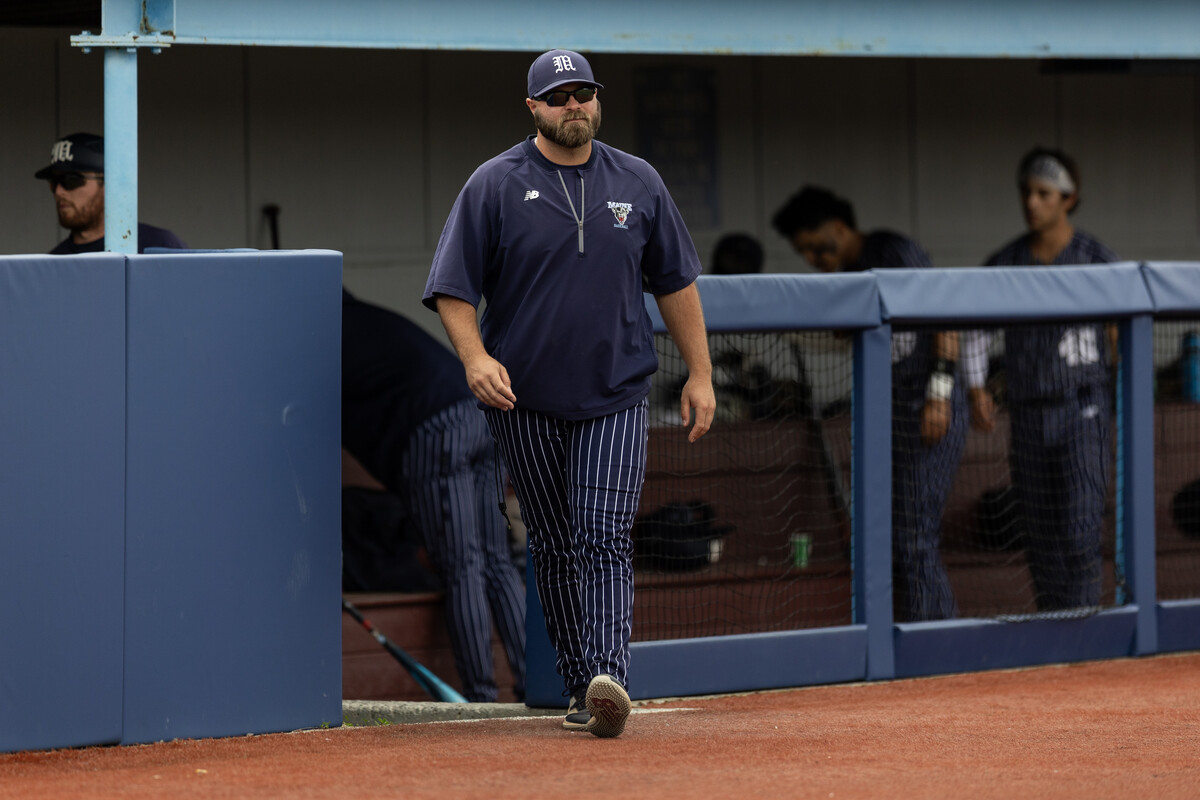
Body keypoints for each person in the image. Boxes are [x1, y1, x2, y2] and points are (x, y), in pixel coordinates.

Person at [423, 48, 715, 737]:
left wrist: (700, 373)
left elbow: (675, 283)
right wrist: (474, 359)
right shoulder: (494, 183)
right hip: (523, 398)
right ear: (534, 108)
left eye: (583, 92)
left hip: (615, 391)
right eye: (559, 96)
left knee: (604, 533)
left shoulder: (638, 180)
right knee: (554, 543)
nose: (574, 105)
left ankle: (610, 675)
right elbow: (452, 289)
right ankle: (584, 680)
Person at [772, 185, 968, 622]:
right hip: (895, 418)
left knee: (915, 535)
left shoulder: (892, 250)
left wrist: (939, 395)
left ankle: (940, 638)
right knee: (895, 535)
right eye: (803, 251)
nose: (812, 259)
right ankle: (916, 634)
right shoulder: (851, 272)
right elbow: (844, 337)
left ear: (839, 227)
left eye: (815, 246)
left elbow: (945, 317)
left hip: (931, 407)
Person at [341, 288, 527, 702]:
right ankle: (532, 684)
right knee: (495, 561)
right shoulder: (367, 313)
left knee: (462, 567)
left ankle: (480, 699)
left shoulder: (321, 334)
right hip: (481, 416)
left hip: (436, 431)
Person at [964, 147, 1118, 613]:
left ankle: (1083, 632)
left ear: (1068, 199)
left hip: (1083, 407)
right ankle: (1055, 635)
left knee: (1080, 526)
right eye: (1027, 192)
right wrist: (975, 386)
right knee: (1040, 534)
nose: (1032, 202)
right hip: (1029, 413)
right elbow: (973, 328)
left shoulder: (1095, 257)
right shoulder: (1006, 261)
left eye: (1044, 193)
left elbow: (1121, 333)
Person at [35, 132, 187, 254]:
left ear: (110, 184)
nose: (59, 191)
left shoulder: (158, 247)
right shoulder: (53, 265)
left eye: (71, 180)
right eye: (53, 182)